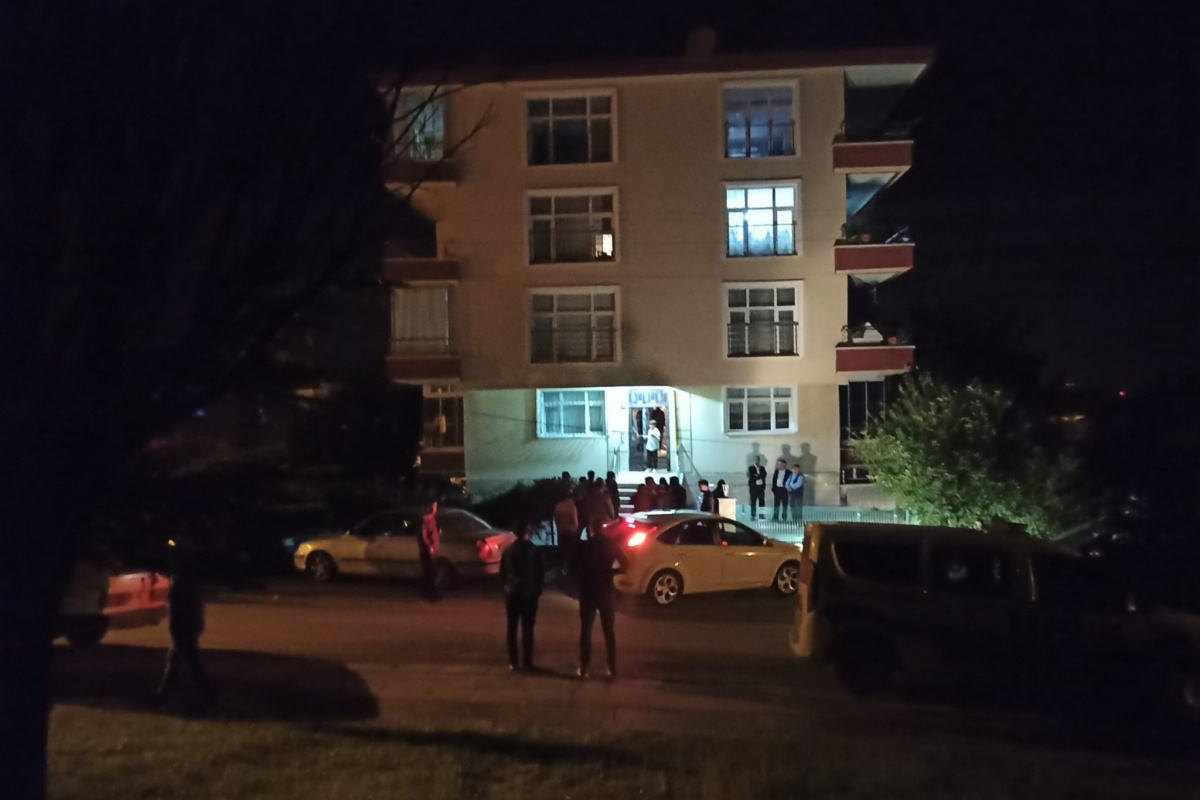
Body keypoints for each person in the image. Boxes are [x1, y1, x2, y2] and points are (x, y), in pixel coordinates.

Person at [154, 540, 215, 710]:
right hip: (189, 622)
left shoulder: (181, 580)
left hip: (184, 624)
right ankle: (162, 693)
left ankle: (209, 691)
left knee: (189, 660)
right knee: (177, 659)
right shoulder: (186, 578)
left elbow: (181, 607)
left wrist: (177, 626)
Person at [571, 521, 627, 680]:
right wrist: (612, 572)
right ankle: (611, 666)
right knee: (609, 631)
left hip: (588, 591)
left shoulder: (584, 546)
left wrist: (581, 578)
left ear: (590, 530)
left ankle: (584, 666)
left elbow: (572, 567)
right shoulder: (610, 544)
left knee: (586, 630)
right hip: (606, 591)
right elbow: (626, 564)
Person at [500, 519, 544, 672]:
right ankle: (527, 661)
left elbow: (503, 573)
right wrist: (537, 590)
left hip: (512, 592)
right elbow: (540, 573)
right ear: (527, 532)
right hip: (529, 594)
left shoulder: (508, 551)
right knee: (527, 629)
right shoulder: (534, 550)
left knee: (512, 627)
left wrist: (506, 587)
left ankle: (513, 661)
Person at [419, 501, 441, 601]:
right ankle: (430, 595)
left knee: (429, 572)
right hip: (429, 550)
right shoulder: (429, 520)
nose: (436, 509)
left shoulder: (428, 519)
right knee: (430, 573)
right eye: (434, 507)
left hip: (429, 549)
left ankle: (429, 593)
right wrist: (431, 547)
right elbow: (426, 536)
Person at [553, 486, 580, 565]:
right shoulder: (572, 507)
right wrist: (576, 529)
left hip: (561, 531)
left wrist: (559, 528)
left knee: (563, 550)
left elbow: (556, 520)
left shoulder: (558, 506)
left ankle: (563, 565)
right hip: (571, 531)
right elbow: (574, 520)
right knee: (572, 551)